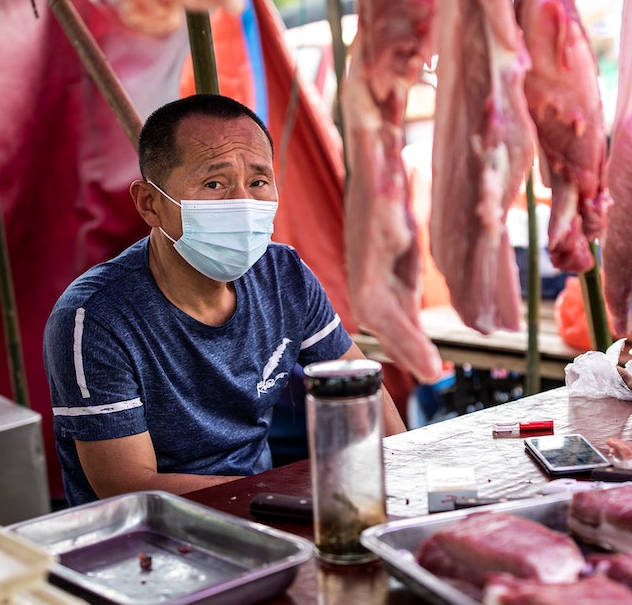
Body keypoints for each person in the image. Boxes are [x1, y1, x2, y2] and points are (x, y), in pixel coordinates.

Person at [44, 94, 405, 506]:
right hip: (150, 542)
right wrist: (291, 495)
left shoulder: (282, 274)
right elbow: (126, 484)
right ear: (151, 204)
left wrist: (399, 472)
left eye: (258, 182)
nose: (243, 204)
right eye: (214, 184)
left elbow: (360, 388)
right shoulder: (94, 319)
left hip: (266, 514)